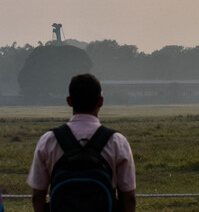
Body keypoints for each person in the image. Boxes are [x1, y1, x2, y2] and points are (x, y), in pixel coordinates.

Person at [27, 73, 136, 212]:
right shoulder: (117, 142)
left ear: (69, 101)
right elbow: (129, 198)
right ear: (100, 101)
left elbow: (37, 196)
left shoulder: (48, 140)